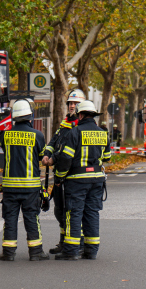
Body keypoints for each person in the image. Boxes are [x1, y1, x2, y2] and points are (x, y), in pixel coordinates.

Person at [53, 100, 111, 260]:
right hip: (97, 180)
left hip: (77, 180)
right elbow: (107, 157)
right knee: (92, 213)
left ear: (81, 114)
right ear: (93, 115)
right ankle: (91, 250)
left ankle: (71, 251)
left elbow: (66, 158)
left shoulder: (75, 132)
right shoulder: (103, 133)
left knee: (74, 212)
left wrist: (59, 176)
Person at [0, 99, 48, 261]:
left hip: (10, 188)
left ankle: (8, 253)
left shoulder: (5, 135)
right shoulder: (38, 135)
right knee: (31, 217)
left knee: (10, 218)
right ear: (30, 116)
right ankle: (35, 253)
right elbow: (42, 157)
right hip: (31, 188)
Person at [42, 88, 86, 254]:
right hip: (60, 175)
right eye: (70, 103)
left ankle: (77, 243)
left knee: (72, 211)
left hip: (72, 175)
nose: (72, 106)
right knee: (59, 210)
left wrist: (54, 158)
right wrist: (47, 154)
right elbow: (54, 141)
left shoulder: (80, 126)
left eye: (75, 103)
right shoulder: (65, 123)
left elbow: (69, 149)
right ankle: (63, 242)